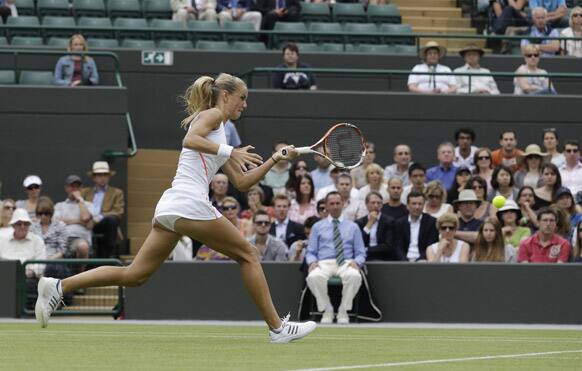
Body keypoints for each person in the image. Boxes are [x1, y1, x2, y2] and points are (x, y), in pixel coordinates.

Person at [35, 73, 317, 343]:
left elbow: (242, 183)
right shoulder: (213, 115)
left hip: (171, 207)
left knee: (135, 275)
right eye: (242, 97)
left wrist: (274, 159)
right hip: (188, 203)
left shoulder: (219, 135)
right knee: (249, 254)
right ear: (226, 95)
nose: (245, 104)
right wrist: (230, 151)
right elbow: (189, 140)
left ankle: (58, 286)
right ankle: (278, 328)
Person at [305, 191, 365, 324]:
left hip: (346, 262)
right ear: (326, 205)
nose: (335, 206)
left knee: (355, 276)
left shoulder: (353, 226)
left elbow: (361, 252)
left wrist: (357, 262)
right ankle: (327, 309)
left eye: (338, 203)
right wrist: (312, 262)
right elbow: (310, 251)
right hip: (324, 263)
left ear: (343, 204)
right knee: (313, 277)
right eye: (332, 203)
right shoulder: (317, 226)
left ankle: (343, 310)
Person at [82, 161, 124, 258]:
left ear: (109, 177)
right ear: (94, 177)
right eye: (99, 175)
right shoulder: (85, 192)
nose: (102, 178)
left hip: (105, 223)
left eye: (105, 175)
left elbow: (118, 211)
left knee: (112, 219)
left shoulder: (116, 192)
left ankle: (107, 257)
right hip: (87, 222)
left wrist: (99, 218)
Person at [31, 197, 76, 278]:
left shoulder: (60, 226)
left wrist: (48, 260)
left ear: (51, 213)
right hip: (36, 260)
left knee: (52, 269)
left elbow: (62, 250)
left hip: (55, 261)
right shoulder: (32, 227)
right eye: (40, 213)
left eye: (46, 213)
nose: (43, 216)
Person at [53, 175, 93, 263]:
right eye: (72, 186)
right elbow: (56, 223)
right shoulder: (59, 205)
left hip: (79, 238)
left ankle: (80, 275)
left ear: (81, 188)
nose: (75, 189)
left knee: (83, 247)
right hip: (62, 238)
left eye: (77, 186)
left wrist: (79, 200)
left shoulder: (88, 205)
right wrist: (79, 221)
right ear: (66, 188)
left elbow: (85, 218)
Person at [0, 209, 47, 278]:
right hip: (4, 277)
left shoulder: (37, 240)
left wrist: (31, 272)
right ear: (13, 225)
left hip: (29, 280)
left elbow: (41, 263)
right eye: (19, 224)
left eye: (26, 224)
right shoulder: (2, 241)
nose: (23, 226)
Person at [393, 191, 439, 261]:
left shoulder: (432, 222)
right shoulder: (400, 223)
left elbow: (431, 245)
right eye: (414, 204)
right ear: (407, 206)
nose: (417, 207)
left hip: (423, 260)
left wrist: (418, 261)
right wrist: (405, 262)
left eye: (420, 204)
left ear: (424, 205)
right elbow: (398, 247)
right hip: (403, 260)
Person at [356, 191, 396, 261]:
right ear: (366, 204)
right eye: (373, 203)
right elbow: (358, 242)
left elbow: (388, 246)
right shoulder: (359, 222)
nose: (376, 205)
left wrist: (367, 249)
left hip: (383, 257)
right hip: (364, 257)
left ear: (382, 205)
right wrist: (369, 225)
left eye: (379, 203)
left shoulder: (389, 221)